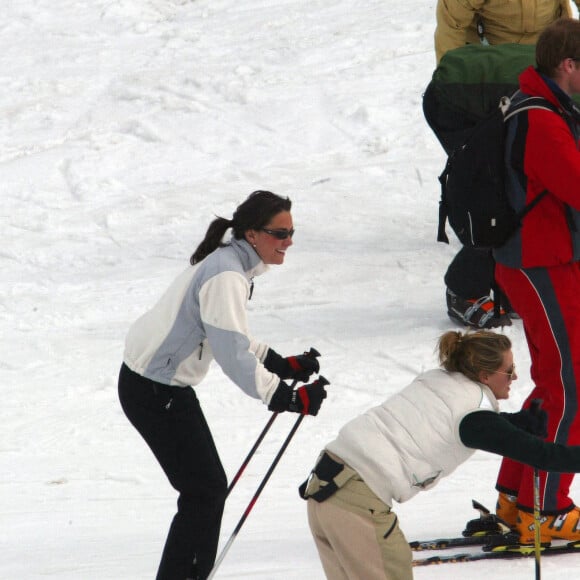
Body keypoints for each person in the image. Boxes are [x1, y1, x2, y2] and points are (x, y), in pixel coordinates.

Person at [118, 190, 330, 580]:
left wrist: (277, 361)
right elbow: (231, 352)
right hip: (155, 390)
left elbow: (224, 332)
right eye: (280, 233)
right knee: (205, 491)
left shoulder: (230, 265)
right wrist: (283, 395)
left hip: (152, 385)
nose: (289, 242)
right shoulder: (227, 275)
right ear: (253, 234)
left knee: (205, 490)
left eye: (291, 233)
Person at [301, 330, 580, 580]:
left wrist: (517, 423)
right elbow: (544, 456)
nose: (515, 377)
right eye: (509, 371)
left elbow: (446, 421)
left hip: (325, 490)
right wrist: (517, 430)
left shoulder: (437, 380)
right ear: (484, 376)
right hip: (355, 506)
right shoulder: (474, 417)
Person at [433, 0, 579, 329]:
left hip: (540, 63)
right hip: (469, 93)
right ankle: (464, 288)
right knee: (507, 195)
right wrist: (455, 71)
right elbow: (452, 26)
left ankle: (514, 280)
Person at [492, 18, 580, 543]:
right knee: (573, 386)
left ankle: (518, 495)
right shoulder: (542, 119)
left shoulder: (546, 107)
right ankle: (546, 510)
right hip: (539, 262)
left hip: (546, 260)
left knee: (556, 383)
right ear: (569, 65)